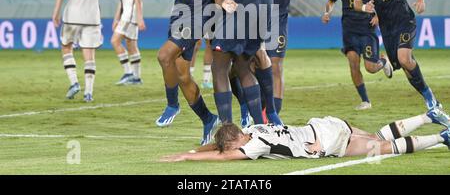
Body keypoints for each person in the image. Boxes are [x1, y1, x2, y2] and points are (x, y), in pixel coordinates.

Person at [116, 0, 236, 145]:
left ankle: (172, 105)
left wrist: (219, 18)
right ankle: (208, 119)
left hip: (198, 18)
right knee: (182, 76)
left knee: (164, 55)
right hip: (179, 15)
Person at [354, 0, 450, 126]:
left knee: (405, 58)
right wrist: (366, 8)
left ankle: (431, 100)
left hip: (405, 21)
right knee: (405, 68)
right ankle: (429, 98)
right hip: (387, 29)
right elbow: (356, 3)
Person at [160, 113, 450, 161]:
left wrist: (189, 155)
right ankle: (427, 117)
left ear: (236, 140)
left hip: (324, 143)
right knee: (376, 137)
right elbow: (223, 145)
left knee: (383, 149)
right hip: (326, 124)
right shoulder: (255, 129)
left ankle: (441, 137)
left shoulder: (257, 145)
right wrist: (197, 149)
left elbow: (225, 155)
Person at [321, 0, 393, 110]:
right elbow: (331, 1)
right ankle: (365, 101)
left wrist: (377, 14)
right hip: (349, 28)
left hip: (366, 26)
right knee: (353, 62)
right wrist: (327, 12)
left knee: (371, 68)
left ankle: (383, 61)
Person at [52, 0, 106, 102]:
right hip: (92, 16)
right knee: (89, 54)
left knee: (66, 47)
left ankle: (74, 82)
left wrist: (56, 11)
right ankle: (88, 93)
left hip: (73, 15)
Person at [111, 0, 146, 85]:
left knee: (115, 41)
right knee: (131, 45)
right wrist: (116, 18)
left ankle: (128, 72)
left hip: (130, 15)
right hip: (126, 15)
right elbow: (121, 1)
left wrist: (139, 17)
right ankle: (136, 78)